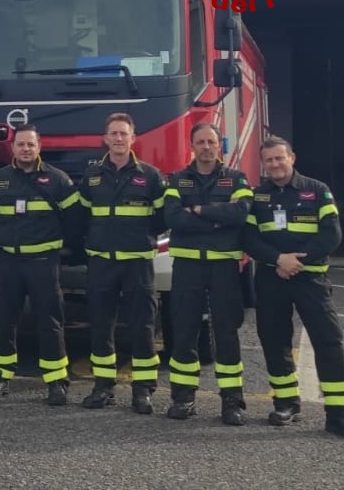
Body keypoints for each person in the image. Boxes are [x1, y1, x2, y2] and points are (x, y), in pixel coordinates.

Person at [244, 135, 344, 436]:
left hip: (310, 278)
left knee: (328, 341)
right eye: (269, 160)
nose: (275, 164)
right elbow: (248, 239)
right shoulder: (257, 196)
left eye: (280, 158)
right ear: (264, 164)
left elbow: (331, 235)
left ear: (292, 158)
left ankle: (337, 412)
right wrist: (278, 259)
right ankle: (286, 403)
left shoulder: (318, 191)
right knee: (274, 341)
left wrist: (296, 261)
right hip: (271, 279)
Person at [0, 124, 79, 405]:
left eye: (30, 145)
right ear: (12, 148)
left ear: (39, 147)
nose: (25, 149)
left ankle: (57, 381)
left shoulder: (58, 180)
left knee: (49, 322)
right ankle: (0, 376)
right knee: (3, 320)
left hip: (43, 262)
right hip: (10, 260)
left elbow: (74, 220)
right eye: (21, 144)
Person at [162, 122, 252, 425]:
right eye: (200, 142)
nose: (206, 147)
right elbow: (172, 216)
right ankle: (183, 397)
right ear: (192, 146)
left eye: (211, 141)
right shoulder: (177, 179)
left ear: (219, 145)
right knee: (184, 330)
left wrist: (198, 211)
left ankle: (231, 400)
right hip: (187, 265)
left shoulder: (236, 178)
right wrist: (217, 217)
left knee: (226, 331)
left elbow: (240, 213)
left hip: (223, 267)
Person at [76, 112, 167, 413]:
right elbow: (81, 217)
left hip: (137, 264)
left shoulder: (151, 176)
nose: (118, 139)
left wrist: (145, 238)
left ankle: (143, 391)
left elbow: (162, 217)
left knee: (142, 327)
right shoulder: (91, 177)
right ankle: (103, 387)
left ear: (132, 138)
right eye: (113, 134)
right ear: (105, 139)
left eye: (123, 134)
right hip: (102, 262)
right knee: (102, 326)